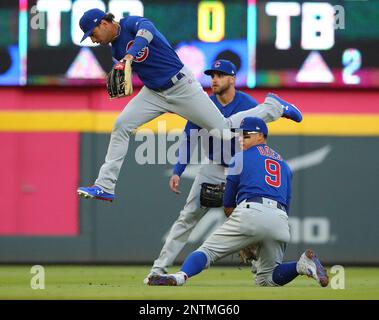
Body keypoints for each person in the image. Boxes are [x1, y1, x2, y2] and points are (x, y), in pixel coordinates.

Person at [76, 9, 302, 202]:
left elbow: (148, 31)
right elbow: (140, 69)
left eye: (93, 33)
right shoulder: (115, 49)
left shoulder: (130, 23)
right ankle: (105, 185)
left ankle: (274, 107)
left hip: (181, 86)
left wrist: (129, 57)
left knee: (224, 131)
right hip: (154, 93)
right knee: (122, 124)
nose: (93, 39)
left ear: (104, 23)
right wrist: (124, 67)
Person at [148, 117, 329, 288]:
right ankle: (301, 265)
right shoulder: (284, 165)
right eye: (239, 134)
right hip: (281, 220)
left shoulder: (239, 158)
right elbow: (287, 204)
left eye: (246, 135)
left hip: (250, 212)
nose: (241, 138)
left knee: (208, 252)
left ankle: (179, 277)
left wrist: (246, 238)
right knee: (266, 279)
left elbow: (228, 203)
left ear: (261, 136)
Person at [143, 59, 259, 283]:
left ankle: (260, 269)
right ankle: (158, 268)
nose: (214, 79)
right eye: (212, 75)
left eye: (220, 75)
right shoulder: (203, 103)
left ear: (232, 79)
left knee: (253, 221)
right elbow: (189, 139)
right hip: (213, 167)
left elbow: (259, 136)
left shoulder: (248, 104)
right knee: (186, 218)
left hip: (241, 169)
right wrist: (178, 170)